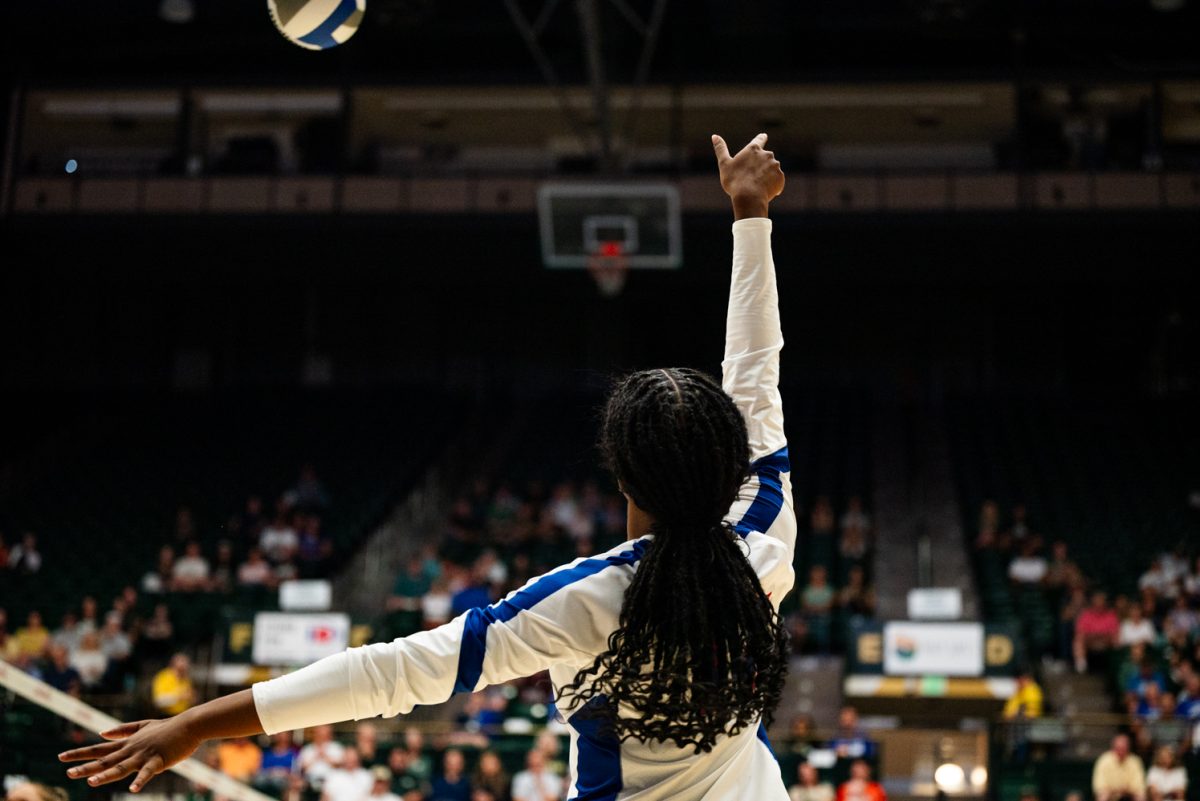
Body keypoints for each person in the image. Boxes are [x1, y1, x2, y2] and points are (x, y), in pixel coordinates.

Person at [58, 133, 794, 801]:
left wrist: (195, 725)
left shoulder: (589, 599)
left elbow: (390, 673)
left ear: (624, 478)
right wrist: (750, 217)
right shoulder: (764, 541)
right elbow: (756, 374)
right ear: (730, 459)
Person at [1092, 734, 1146, 801]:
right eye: (1118, 748)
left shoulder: (1135, 761)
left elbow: (1139, 787)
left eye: (1123, 749)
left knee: (1140, 797)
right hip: (1110, 795)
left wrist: (1126, 790)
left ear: (1128, 748)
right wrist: (1115, 790)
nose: (1120, 751)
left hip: (1129, 795)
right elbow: (1099, 787)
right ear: (1113, 748)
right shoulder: (1103, 760)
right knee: (1103, 796)